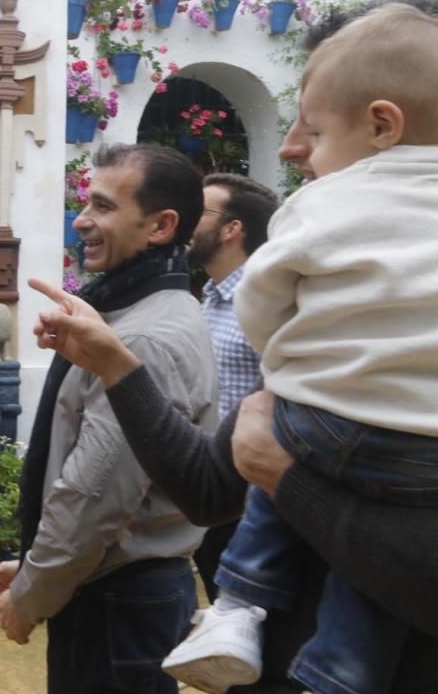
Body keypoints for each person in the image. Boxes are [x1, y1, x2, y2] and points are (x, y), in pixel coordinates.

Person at [27, 0, 438, 693]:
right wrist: (115, 364)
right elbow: (211, 489)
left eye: (316, 124)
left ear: (386, 127)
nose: (287, 146)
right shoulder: (338, 325)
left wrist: (289, 477)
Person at [0, 143, 219, 693]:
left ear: (160, 226)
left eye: (104, 207)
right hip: (116, 593)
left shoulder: (143, 338)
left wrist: (32, 595)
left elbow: (95, 497)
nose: (83, 220)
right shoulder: (130, 315)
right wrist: (36, 566)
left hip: (119, 607)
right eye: (87, 202)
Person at [187, 173, 278, 601]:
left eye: (199, 212)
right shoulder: (210, 296)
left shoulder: (263, 303)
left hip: (250, 505)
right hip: (211, 492)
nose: (186, 220)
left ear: (231, 228)